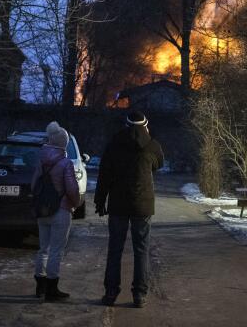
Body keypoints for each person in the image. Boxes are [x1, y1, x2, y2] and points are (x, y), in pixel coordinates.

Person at [94, 111, 164, 308]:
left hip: (118, 205)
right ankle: (139, 294)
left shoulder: (114, 145)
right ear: (145, 125)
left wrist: (100, 201)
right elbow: (158, 165)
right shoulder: (152, 145)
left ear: (125, 125)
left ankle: (110, 293)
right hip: (143, 205)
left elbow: (104, 175)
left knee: (115, 250)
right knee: (141, 250)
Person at [32, 121, 81, 301]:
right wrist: (75, 203)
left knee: (43, 249)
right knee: (56, 251)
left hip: (42, 210)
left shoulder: (40, 159)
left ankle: (40, 286)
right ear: (64, 144)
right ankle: (52, 289)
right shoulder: (65, 163)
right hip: (61, 210)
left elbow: (34, 184)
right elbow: (72, 189)